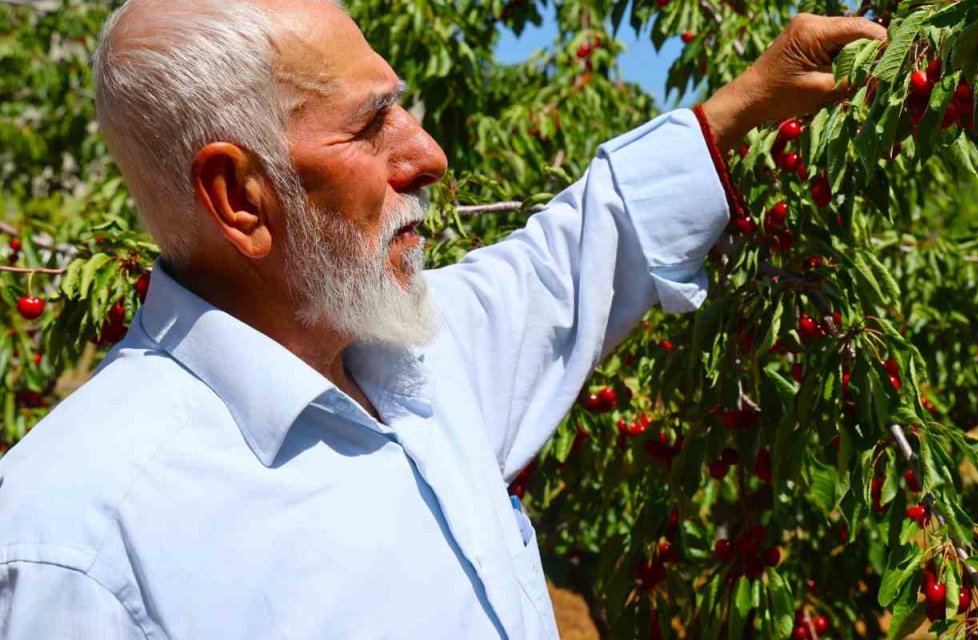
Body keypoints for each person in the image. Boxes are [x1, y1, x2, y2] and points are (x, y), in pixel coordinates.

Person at [0, 1, 885, 637]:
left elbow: (573, 252)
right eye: (371, 123)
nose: (428, 153)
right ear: (241, 197)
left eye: (404, 105)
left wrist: (743, 105)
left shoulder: (416, 354)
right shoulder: (74, 546)